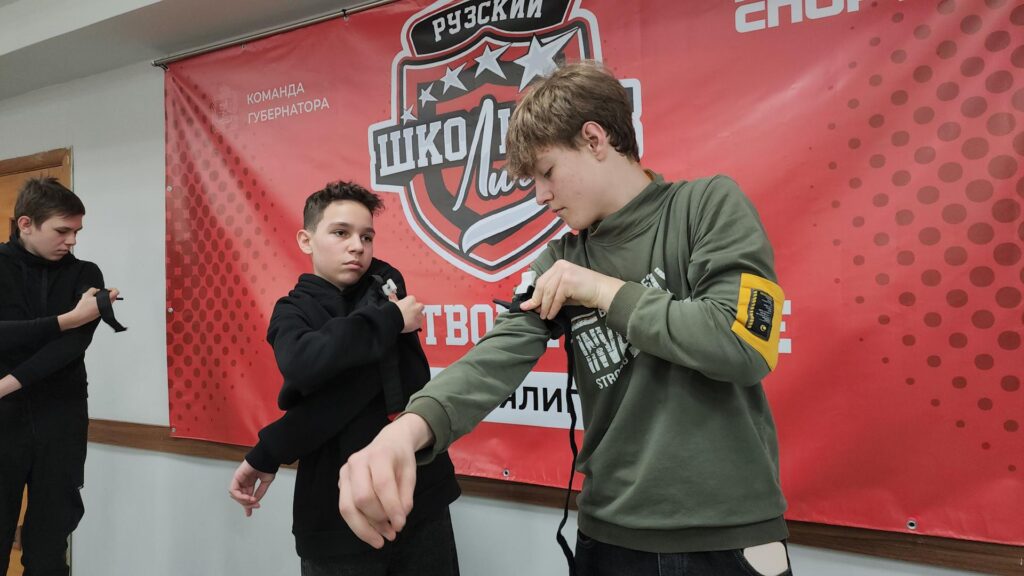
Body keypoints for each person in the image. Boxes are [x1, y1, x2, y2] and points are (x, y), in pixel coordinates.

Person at [337, 61, 793, 576]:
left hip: (730, 537)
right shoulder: (558, 260)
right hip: (609, 537)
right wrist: (407, 431)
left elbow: (743, 344)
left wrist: (601, 290)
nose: (540, 196)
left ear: (595, 139)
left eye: (547, 172)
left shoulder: (706, 205)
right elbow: (497, 355)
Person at [228, 181, 461, 576]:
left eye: (366, 236)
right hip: (332, 511)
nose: (357, 246)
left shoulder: (385, 285)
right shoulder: (292, 312)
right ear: (306, 240)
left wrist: (272, 448)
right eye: (341, 233)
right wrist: (390, 321)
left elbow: (373, 385)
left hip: (419, 497)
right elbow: (304, 364)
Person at [0, 177, 119, 576]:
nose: (72, 241)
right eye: (62, 231)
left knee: (49, 547)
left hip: (61, 419)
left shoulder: (86, 273)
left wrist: (4, 384)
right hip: (4, 423)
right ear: (26, 224)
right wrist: (67, 319)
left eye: (77, 231)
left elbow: (68, 349)